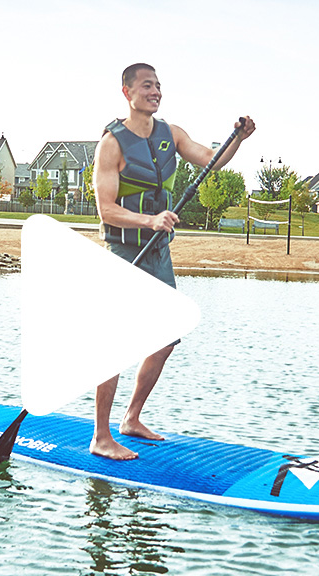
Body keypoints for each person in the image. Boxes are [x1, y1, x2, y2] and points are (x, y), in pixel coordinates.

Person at [89, 62, 255, 460]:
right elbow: (105, 209)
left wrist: (240, 139)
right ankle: (100, 436)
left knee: (166, 337)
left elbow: (213, 160)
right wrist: (149, 219)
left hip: (158, 251)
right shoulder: (111, 143)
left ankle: (131, 419)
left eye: (159, 86)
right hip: (123, 250)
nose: (155, 91)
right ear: (127, 92)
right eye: (147, 86)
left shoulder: (171, 134)